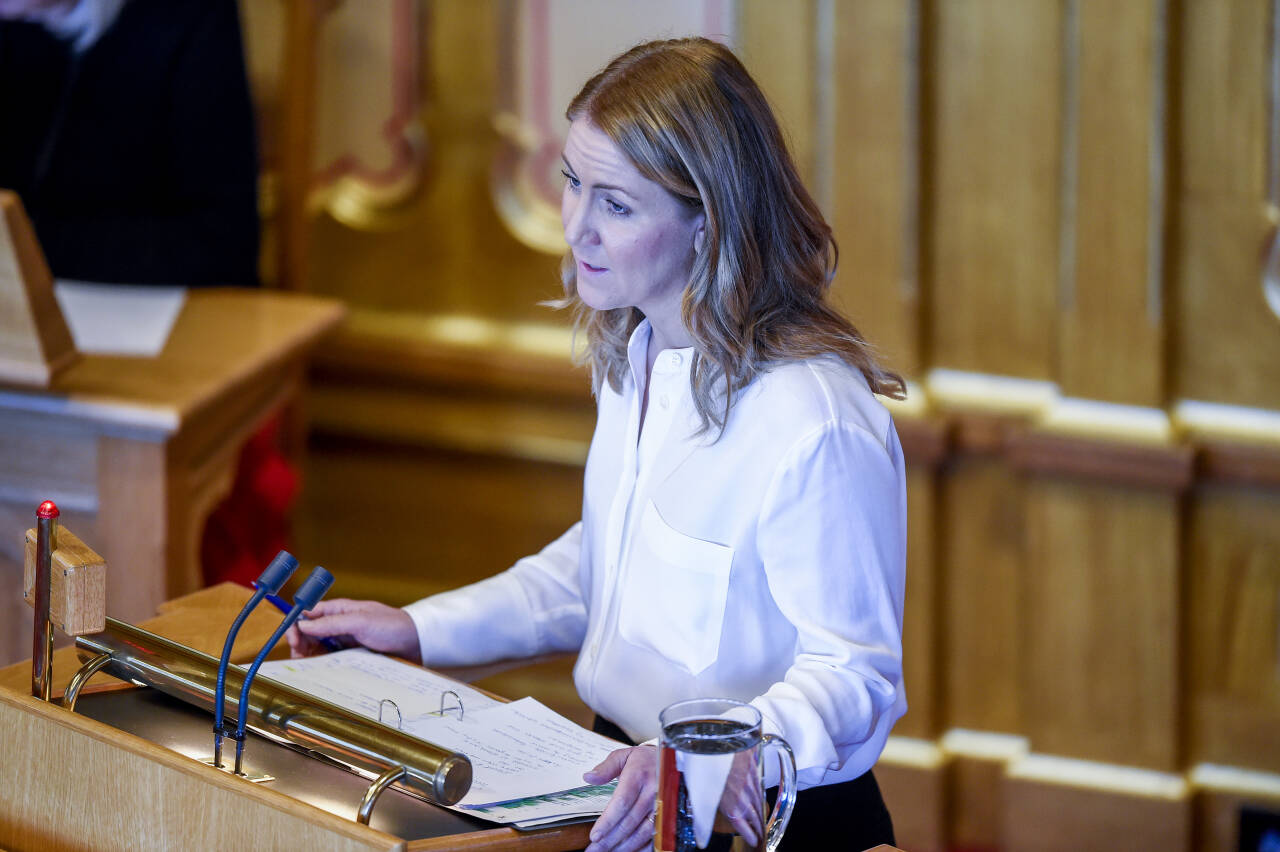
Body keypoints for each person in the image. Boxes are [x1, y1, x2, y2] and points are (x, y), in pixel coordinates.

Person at [287, 37, 907, 852]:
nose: (575, 229)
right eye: (573, 184)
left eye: (616, 205)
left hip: (757, 822)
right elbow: (601, 571)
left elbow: (856, 676)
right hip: (617, 774)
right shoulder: (636, 348)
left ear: (706, 223)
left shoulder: (814, 418)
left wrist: (700, 760)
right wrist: (420, 631)